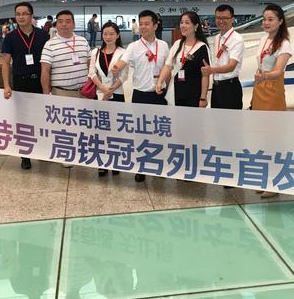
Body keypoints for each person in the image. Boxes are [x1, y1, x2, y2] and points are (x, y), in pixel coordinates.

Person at [111, 10, 169, 183]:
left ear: (155, 25)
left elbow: (167, 68)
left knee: (159, 132)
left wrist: (166, 87)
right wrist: (116, 67)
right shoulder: (134, 46)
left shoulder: (163, 45)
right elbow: (123, 61)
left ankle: (159, 165)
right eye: (141, 24)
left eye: (147, 24)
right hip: (140, 95)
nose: (143, 27)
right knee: (141, 133)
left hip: (159, 95)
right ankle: (141, 167)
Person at [1, 2, 50, 170]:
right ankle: (25, 155)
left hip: (40, 81)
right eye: (18, 14)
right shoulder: (10, 37)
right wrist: (6, 85)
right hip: (21, 81)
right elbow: (5, 63)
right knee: (23, 119)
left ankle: (43, 150)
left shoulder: (43, 35)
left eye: (24, 13)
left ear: (31, 15)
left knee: (41, 117)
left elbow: (49, 62)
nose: (21, 17)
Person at [250, 4, 292, 198]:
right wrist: (260, 78)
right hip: (260, 88)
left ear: (280, 21)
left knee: (273, 139)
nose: (266, 23)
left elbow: (278, 71)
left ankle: (276, 182)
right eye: (264, 19)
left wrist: (264, 76)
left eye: (270, 19)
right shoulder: (263, 39)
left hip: (272, 90)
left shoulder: (284, 44)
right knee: (262, 138)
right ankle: (265, 179)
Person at [88, 21, 128, 177]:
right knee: (101, 130)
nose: (108, 37)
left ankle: (116, 161)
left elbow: (124, 75)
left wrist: (110, 90)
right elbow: (92, 73)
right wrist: (103, 89)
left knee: (116, 130)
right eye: (105, 33)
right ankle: (102, 162)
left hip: (117, 94)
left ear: (117, 35)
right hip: (100, 94)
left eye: (111, 33)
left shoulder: (123, 52)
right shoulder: (96, 52)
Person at [156, 11, 210, 108]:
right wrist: (160, 81)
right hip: (176, 92)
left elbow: (205, 75)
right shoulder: (177, 44)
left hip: (194, 95)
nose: (183, 26)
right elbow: (168, 66)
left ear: (196, 26)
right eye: (181, 22)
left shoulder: (202, 47)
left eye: (187, 23)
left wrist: (203, 98)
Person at [201, 4, 244, 110]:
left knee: (231, 120)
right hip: (217, 87)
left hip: (230, 88)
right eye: (218, 18)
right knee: (216, 119)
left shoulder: (237, 39)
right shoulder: (217, 37)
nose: (221, 21)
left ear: (232, 19)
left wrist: (211, 70)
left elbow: (231, 66)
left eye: (225, 18)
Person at [41, 10, 90, 98]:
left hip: (85, 92)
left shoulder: (83, 41)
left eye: (68, 21)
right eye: (60, 21)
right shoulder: (49, 45)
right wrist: (46, 93)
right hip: (61, 93)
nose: (64, 24)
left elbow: (90, 64)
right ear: (56, 25)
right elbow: (45, 71)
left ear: (74, 24)